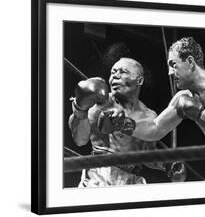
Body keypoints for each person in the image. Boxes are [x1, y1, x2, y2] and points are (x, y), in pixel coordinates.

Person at [113, 37, 205, 181]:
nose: (170, 72)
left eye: (173, 65)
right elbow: (155, 129)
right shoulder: (183, 98)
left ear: (190, 62)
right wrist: (124, 123)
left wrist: (201, 112)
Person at [68, 57, 187, 187]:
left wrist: (167, 164)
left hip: (130, 178)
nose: (115, 76)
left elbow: (146, 154)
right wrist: (80, 109)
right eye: (113, 72)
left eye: (122, 72)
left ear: (139, 80)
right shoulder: (99, 104)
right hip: (99, 173)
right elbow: (80, 140)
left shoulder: (148, 116)